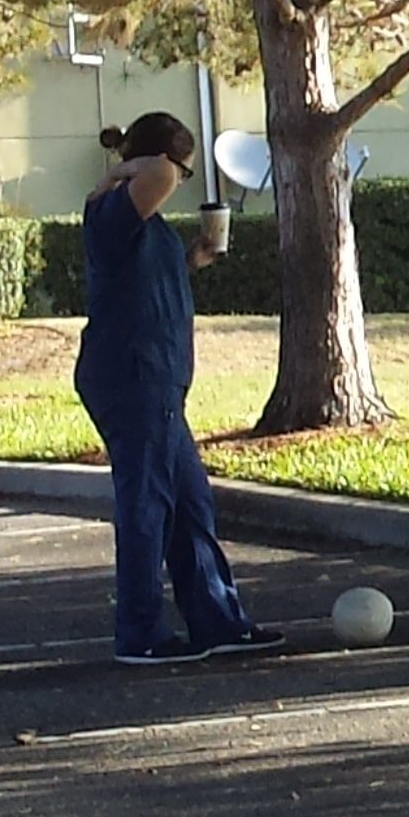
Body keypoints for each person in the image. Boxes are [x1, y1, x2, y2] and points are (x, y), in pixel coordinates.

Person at [72, 112, 279, 666]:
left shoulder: (146, 224)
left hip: (160, 378)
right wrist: (140, 165)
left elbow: (148, 275)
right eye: (182, 168)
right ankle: (140, 632)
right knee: (147, 502)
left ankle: (217, 620)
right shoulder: (110, 210)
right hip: (132, 373)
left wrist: (195, 259)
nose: (177, 182)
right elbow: (158, 177)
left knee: (189, 503)